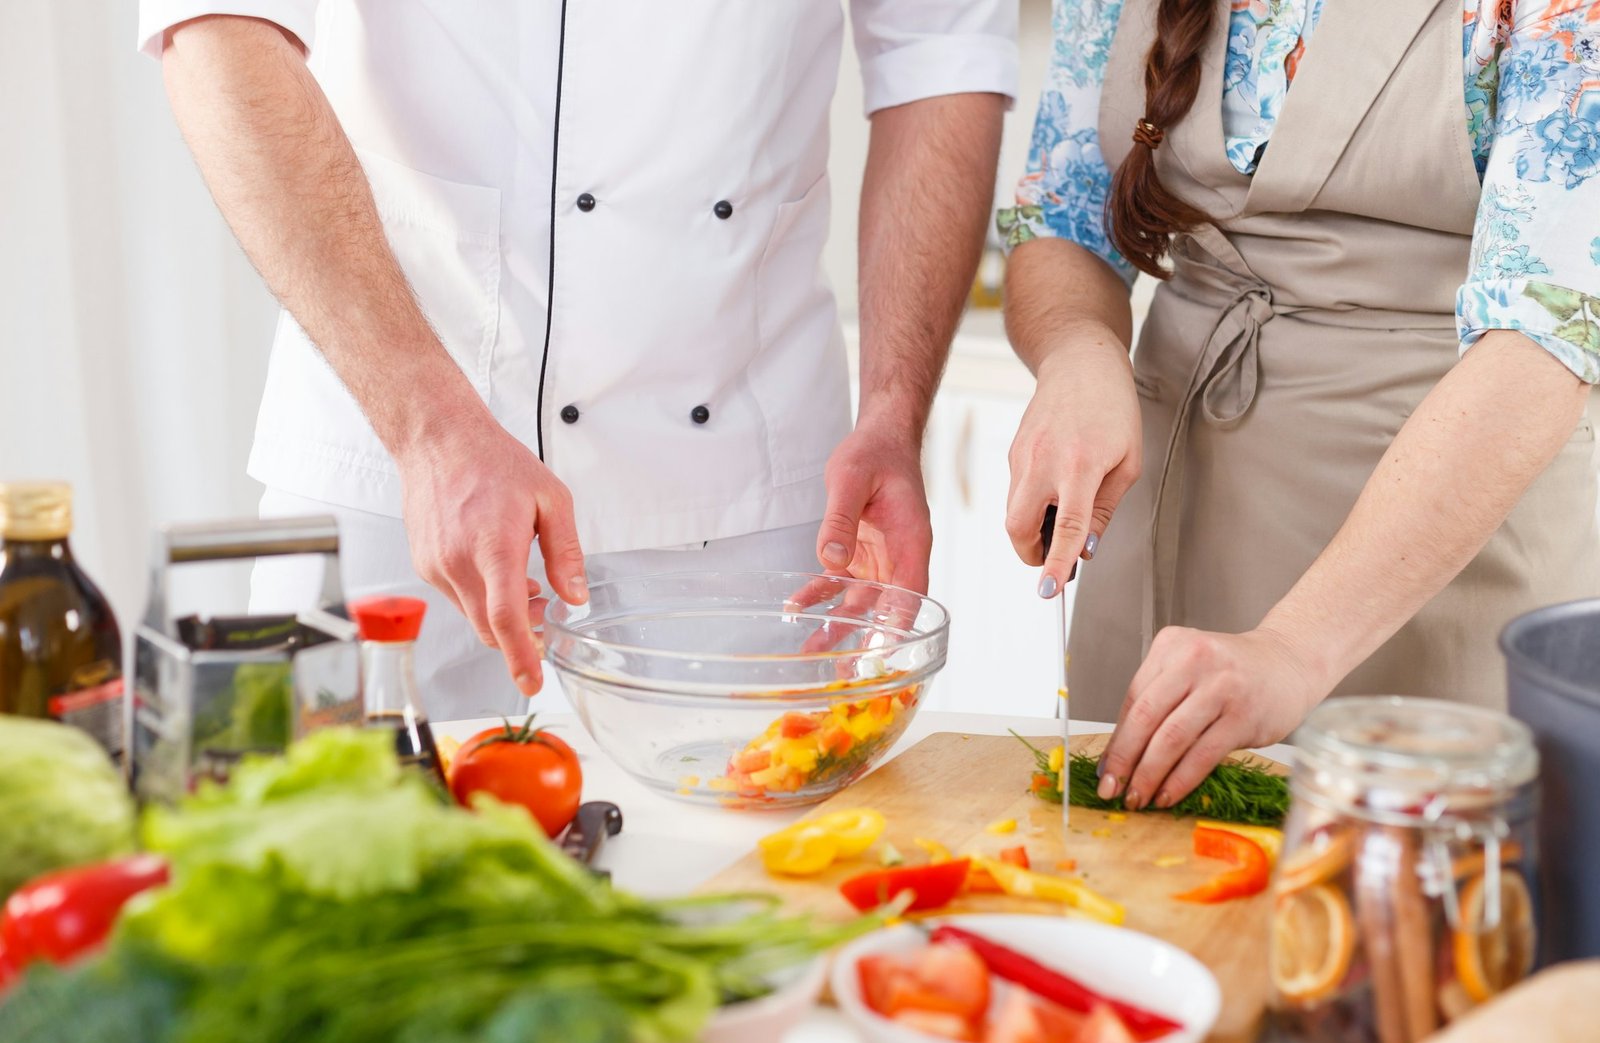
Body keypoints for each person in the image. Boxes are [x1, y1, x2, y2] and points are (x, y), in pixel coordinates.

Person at [137, 3, 1014, 717]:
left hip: (742, 499)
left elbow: (941, 56)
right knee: (315, 881)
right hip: (387, 468)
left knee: (739, 900)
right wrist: (429, 429)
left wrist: (895, 413)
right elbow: (217, 30)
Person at [1002, 0, 1600, 807]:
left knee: (1403, 902)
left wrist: (1293, 648)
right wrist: (1078, 349)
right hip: (1166, 512)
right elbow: (1061, 216)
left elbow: (1548, 331)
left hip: (1436, 547)